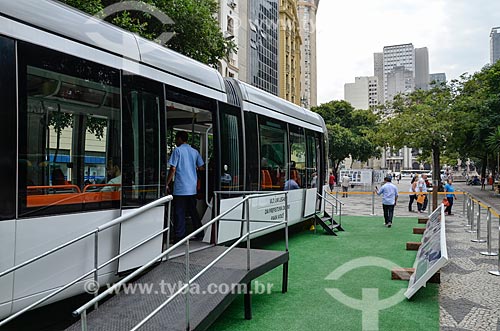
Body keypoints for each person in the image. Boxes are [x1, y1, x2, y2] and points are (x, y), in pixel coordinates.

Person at [166, 131, 204, 242]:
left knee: (179, 212)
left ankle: (179, 236)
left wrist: (167, 183)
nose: (175, 141)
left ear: (180, 139)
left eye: (176, 139)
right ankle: (199, 232)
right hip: (192, 187)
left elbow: (173, 169)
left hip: (180, 188)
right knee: (193, 212)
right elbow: (201, 167)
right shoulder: (194, 152)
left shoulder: (177, 151)